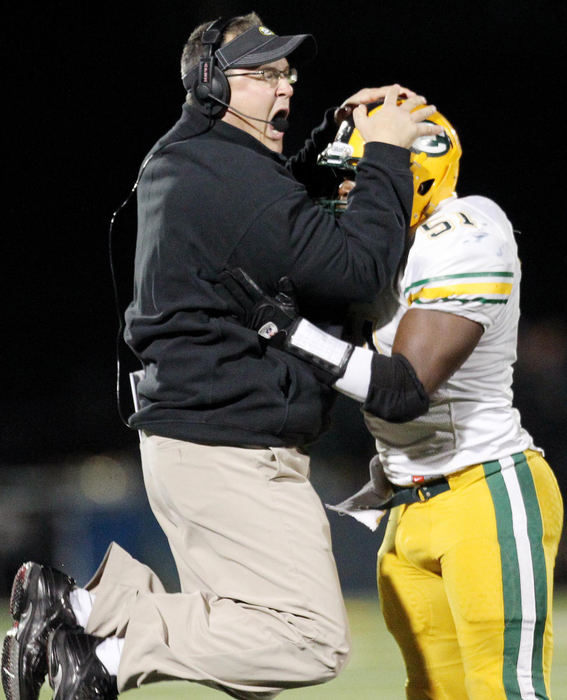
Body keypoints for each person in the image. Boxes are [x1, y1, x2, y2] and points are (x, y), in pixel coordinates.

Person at [1, 13, 442, 700]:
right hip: (231, 450)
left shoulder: (198, 161)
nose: (284, 89)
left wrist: (328, 146)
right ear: (209, 84)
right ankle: (92, 638)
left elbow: (279, 228)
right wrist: (384, 154)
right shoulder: (221, 173)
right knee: (304, 640)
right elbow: (356, 271)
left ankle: (89, 607)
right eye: (263, 74)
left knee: (243, 644)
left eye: (287, 74)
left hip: (202, 441)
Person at [220, 103, 565, 698]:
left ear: (421, 173)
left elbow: (403, 388)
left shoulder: (468, 231)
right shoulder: (379, 247)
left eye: (364, 172)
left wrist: (293, 332)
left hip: (484, 491)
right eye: (350, 172)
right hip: (407, 505)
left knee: (504, 690)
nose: (350, 188)